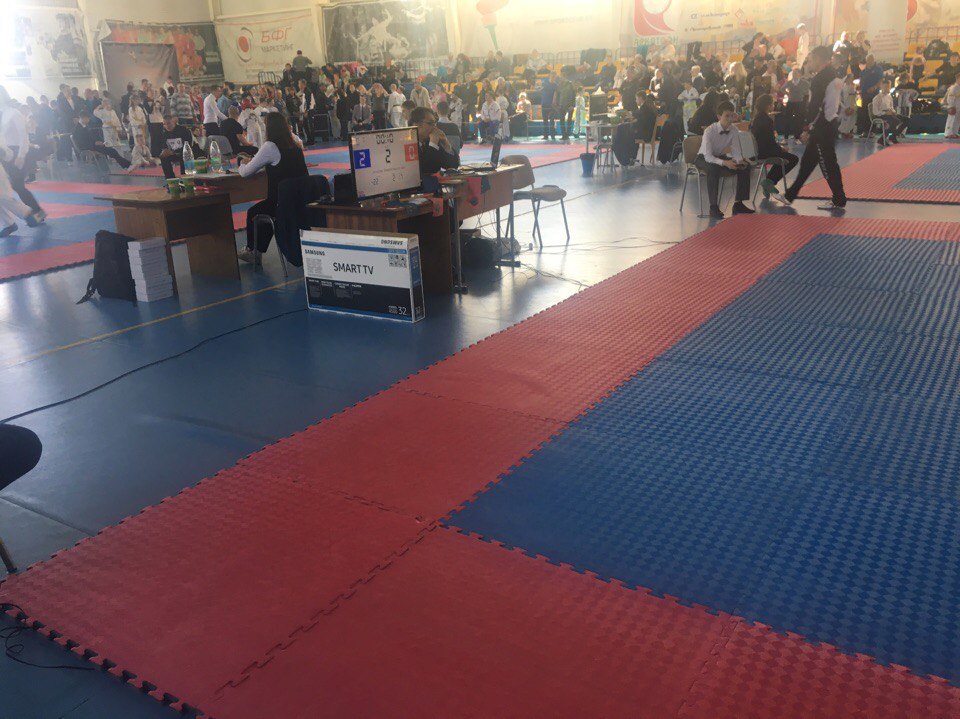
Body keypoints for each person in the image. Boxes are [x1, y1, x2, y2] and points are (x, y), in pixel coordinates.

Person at [778, 46, 847, 211]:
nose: (810, 63)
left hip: (822, 126)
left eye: (811, 59)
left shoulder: (820, 79)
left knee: (827, 163)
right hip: (828, 123)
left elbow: (816, 106)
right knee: (808, 162)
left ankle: (839, 199)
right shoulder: (833, 75)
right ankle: (790, 195)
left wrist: (807, 128)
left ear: (818, 59)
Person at [236, 113, 308, 264]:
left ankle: (253, 251)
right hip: (302, 201)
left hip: (281, 202)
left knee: (255, 213)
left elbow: (245, 173)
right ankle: (256, 251)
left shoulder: (270, 146)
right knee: (264, 209)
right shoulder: (296, 144)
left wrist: (242, 162)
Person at [695, 100, 754, 219]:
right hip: (703, 158)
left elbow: (736, 150)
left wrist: (739, 161)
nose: (730, 119)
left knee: (745, 167)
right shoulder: (709, 131)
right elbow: (708, 157)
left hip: (720, 156)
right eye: (727, 116)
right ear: (719, 116)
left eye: (732, 116)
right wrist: (725, 163)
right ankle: (713, 207)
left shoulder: (734, 130)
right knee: (713, 169)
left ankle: (738, 204)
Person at [0, 87, 44, 222]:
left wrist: (21, 155)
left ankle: (37, 212)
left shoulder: (14, 113)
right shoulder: (2, 113)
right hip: (3, 152)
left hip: (15, 152)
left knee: (18, 186)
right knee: (10, 187)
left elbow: (23, 136)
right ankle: (14, 219)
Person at [751, 94, 799, 197]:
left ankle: (769, 181)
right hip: (765, 152)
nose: (773, 105)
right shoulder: (766, 120)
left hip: (757, 151)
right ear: (768, 106)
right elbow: (770, 142)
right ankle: (769, 181)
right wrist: (781, 149)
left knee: (782, 157)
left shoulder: (755, 119)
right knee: (793, 159)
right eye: (772, 104)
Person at [409, 106, 458, 175]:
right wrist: (433, 144)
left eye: (435, 123)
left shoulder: (431, 141)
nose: (434, 127)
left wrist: (446, 145)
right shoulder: (408, 145)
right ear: (417, 125)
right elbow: (428, 170)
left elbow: (453, 165)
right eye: (430, 123)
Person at [156, 114, 204, 179]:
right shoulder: (164, 134)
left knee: (183, 155)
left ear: (173, 122)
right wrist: (164, 152)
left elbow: (188, 146)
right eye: (164, 124)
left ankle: (185, 177)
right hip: (175, 153)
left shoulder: (183, 130)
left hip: (190, 152)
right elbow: (164, 147)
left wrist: (173, 152)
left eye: (168, 123)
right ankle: (170, 179)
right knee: (164, 158)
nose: (167, 126)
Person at [871, 80, 908, 144]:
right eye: (885, 87)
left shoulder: (889, 96)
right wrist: (885, 113)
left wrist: (893, 112)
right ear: (881, 87)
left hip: (890, 113)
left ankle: (893, 136)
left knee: (906, 120)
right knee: (895, 121)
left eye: (888, 87)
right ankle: (882, 139)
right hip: (881, 115)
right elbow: (875, 112)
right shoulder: (877, 98)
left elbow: (891, 107)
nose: (887, 88)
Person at [857, 55, 883, 135]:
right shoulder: (863, 71)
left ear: (873, 60)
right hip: (864, 94)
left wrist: (875, 87)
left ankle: (872, 131)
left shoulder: (878, 69)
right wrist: (859, 90)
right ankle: (865, 130)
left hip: (874, 94)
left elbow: (881, 80)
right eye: (868, 60)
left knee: (872, 112)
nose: (869, 61)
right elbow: (861, 81)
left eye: (871, 60)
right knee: (864, 112)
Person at [782, 69, 810, 140]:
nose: (794, 75)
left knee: (799, 119)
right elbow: (782, 88)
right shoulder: (789, 82)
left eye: (796, 73)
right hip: (790, 102)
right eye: (793, 73)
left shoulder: (804, 82)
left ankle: (797, 136)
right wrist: (787, 94)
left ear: (799, 74)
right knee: (787, 119)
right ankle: (786, 135)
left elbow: (809, 89)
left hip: (799, 102)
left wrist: (804, 93)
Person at [540, 74, 557, 139]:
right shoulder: (545, 83)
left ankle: (552, 135)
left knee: (552, 121)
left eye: (554, 77)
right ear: (550, 77)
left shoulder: (555, 85)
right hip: (544, 104)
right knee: (545, 121)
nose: (553, 78)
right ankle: (546, 136)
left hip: (552, 105)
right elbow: (540, 86)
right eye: (552, 77)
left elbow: (556, 94)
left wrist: (554, 103)